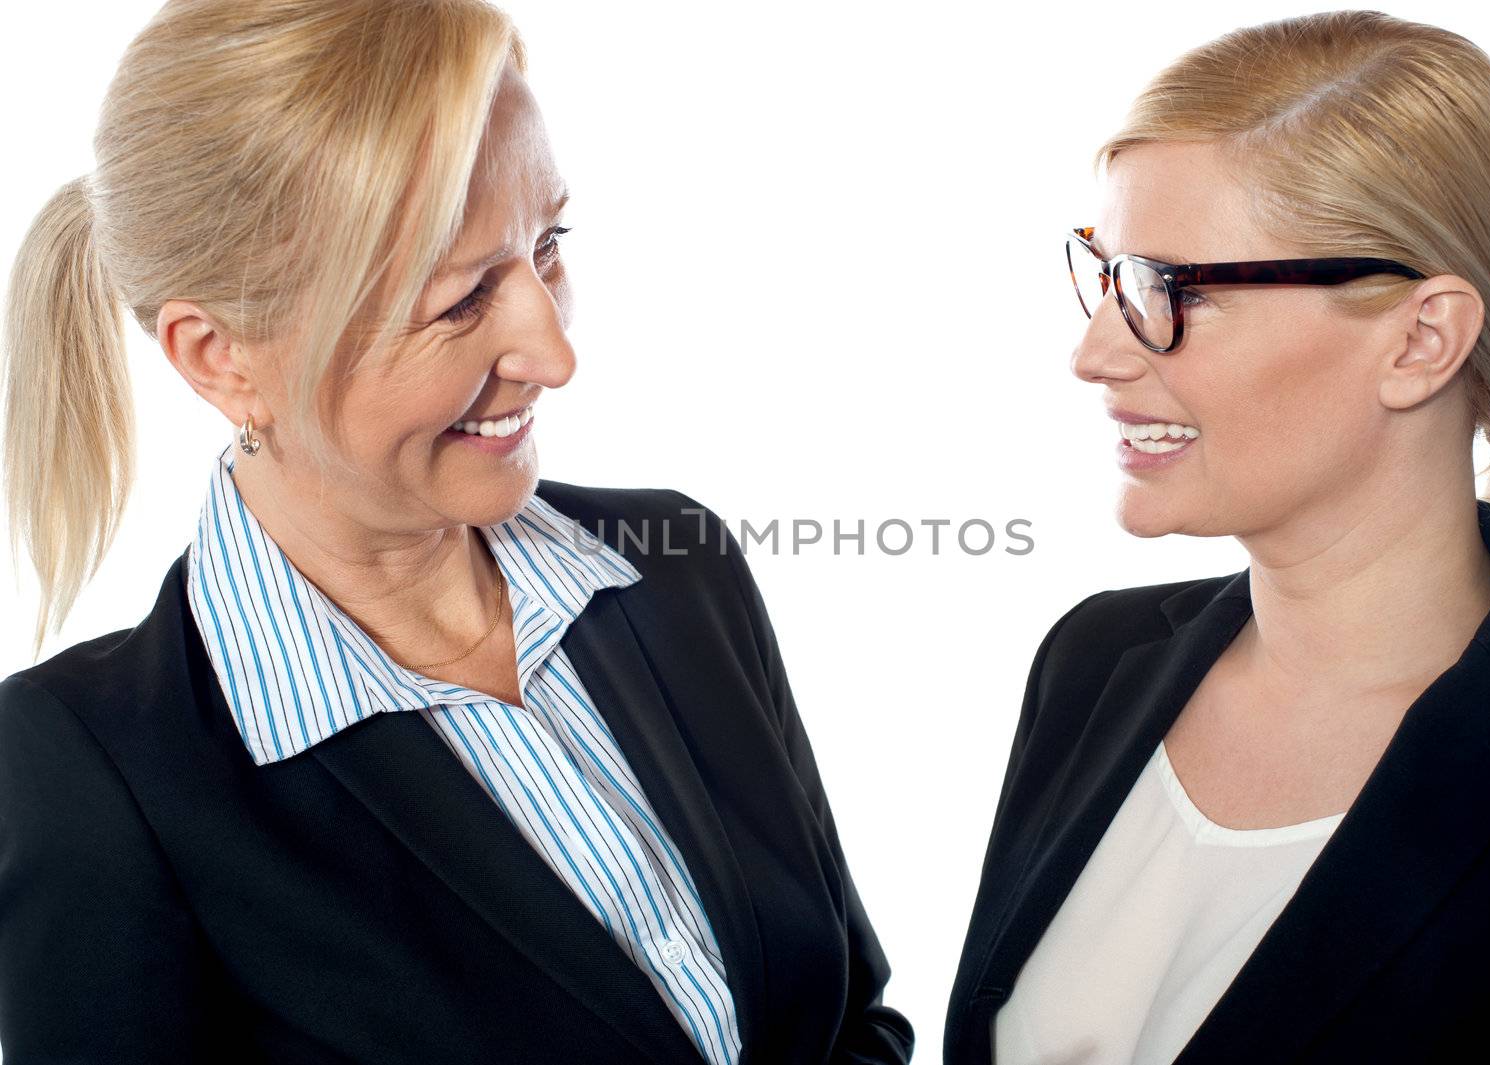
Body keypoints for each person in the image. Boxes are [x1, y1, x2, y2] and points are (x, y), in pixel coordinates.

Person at [0, 3, 912, 1063]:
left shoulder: (676, 569)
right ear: (219, 357)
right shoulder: (92, 773)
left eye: (548, 247)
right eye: (463, 298)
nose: (554, 352)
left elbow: (848, 1018)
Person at [946, 10, 1490, 1065]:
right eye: (1105, 276)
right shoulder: (1094, 664)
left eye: (1169, 290)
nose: (1093, 353)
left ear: (1420, 340)